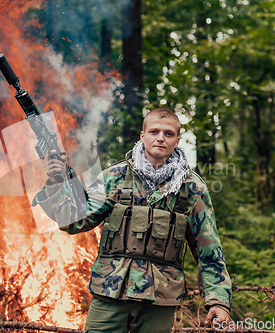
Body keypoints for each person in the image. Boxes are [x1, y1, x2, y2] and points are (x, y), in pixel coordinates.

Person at [34, 108, 232, 333]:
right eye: (154, 131)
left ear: (177, 141)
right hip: (110, 293)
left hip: (159, 301)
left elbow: (209, 250)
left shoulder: (191, 187)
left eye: (168, 134)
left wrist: (218, 301)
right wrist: (56, 182)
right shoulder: (114, 177)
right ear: (142, 135)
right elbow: (76, 222)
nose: (160, 138)